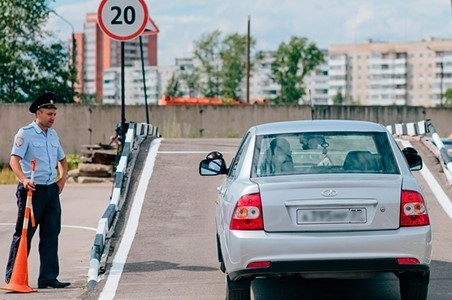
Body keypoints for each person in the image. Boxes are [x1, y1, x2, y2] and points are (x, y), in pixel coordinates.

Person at [5, 91, 70, 289]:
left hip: (51, 191)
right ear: (38, 113)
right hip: (31, 191)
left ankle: (48, 277)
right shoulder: (25, 133)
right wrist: (24, 179)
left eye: (54, 114)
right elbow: (13, 159)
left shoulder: (53, 134)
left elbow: (63, 159)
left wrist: (62, 179)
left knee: (51, 233)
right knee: (24, 234)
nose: (53, 118)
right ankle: (14, 278)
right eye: (49, 114)